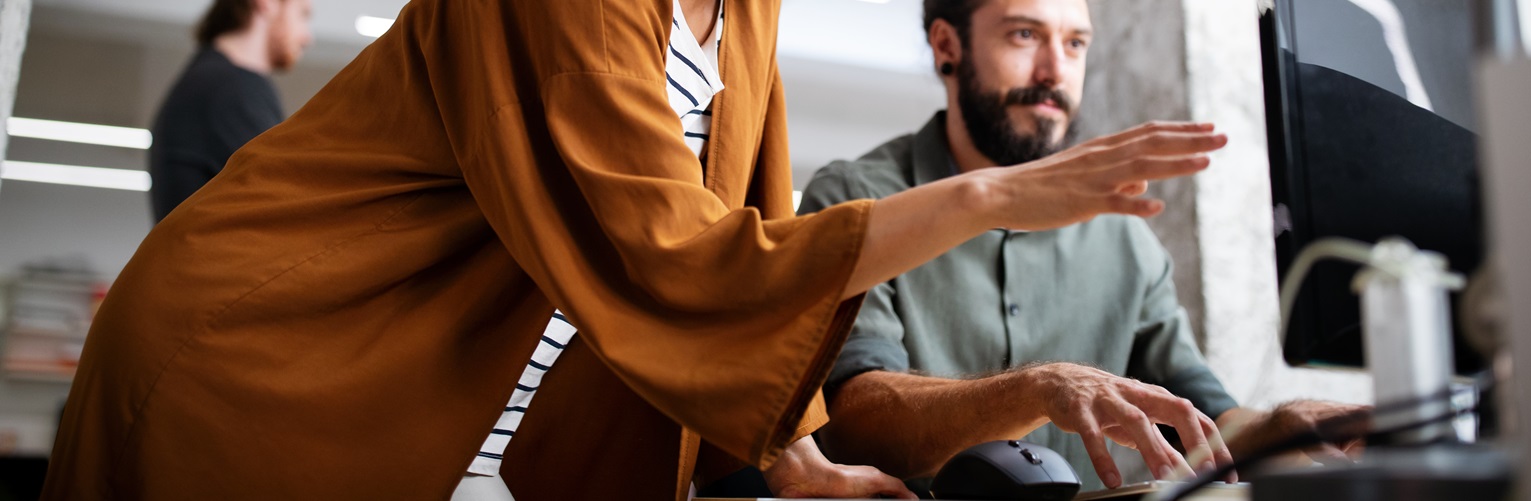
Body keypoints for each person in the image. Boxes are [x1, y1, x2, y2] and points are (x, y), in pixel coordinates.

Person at [41, 0, 1225, 499]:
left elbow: (747, 238)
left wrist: (799, 463)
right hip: (275, 367)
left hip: (470, 416)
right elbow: (683, 263)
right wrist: (990, 196)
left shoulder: (743, 7)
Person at [801, 0, 1365, 493]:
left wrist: (1283, 426)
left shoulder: (1124, 237)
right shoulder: (856, 199)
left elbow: (1206, 426)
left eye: (1075, 43)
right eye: (1024, 35)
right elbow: (853, 422)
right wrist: (1037, 390)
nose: (1054, 71)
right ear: (947, 45)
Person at [147, 0, 314, 222]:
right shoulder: (230, 86)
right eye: (302, 14)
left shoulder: (211, 80)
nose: (306, 38)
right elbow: (287, 206)